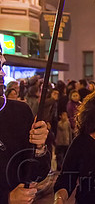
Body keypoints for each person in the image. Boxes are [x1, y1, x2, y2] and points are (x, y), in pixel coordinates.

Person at [0, 55, 51, 204]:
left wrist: (40, 148)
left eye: (2, 66)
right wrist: (7, 198)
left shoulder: (20, 112)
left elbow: (36, 173)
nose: (3, 73)